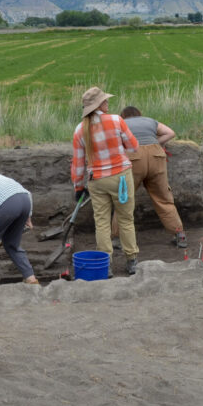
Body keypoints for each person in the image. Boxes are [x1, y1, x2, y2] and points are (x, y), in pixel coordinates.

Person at [71, 87, 140, 275]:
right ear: (99, 105)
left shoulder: (80, 130)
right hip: (121, 178)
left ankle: (106, 264)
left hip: (97, 180)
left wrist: (78, 186)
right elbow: (134, 147)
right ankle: (132, 260)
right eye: (105, 100)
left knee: (101, 222)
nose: (108, 102)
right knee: (126, 219)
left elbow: (77, 163)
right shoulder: (117, 120)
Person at [119, 106, 187, 248]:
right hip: (157, 156)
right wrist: (157, 143)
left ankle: (116, 237)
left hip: (134, 158)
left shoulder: (121, 123)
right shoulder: (150, 121)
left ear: (124, 115)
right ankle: (179, 234)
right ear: (139, 114)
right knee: (164, 198)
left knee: (124, 198)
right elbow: (170, 133)